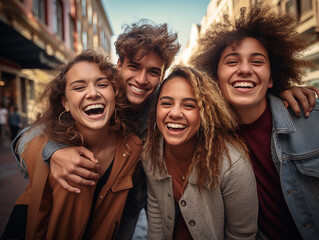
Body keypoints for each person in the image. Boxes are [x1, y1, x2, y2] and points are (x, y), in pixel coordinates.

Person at [11, 20, 181, 239]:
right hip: (73, 202)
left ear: (162, 75)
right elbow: (25, 138)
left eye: (153, 72)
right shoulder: (100, 94)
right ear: (119, 65)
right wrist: (52, 151)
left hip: (127, 207)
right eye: (134, 66)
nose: (141, 79)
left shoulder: (164, 107)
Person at [190, 5, 319, 240]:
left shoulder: (311, 117)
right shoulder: (205, 135)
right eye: (232, 62)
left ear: (272, 78)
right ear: (215, 78)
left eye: (257, 62)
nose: (245, 69)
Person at [2, 49, 143, 239]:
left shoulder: (132, 147)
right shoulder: (45, 141)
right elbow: (25, 143)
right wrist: (51, 151)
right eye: (79, 87)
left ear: (115, 94)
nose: (92, 93)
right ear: (65, 103)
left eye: (102, 84)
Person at [143, 65, 258, 239]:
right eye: (166, 103)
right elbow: (156, 220)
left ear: (205, 113)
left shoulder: (232, 166)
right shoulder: (150, 155)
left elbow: (242, 235)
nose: (174, 113)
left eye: (189, 105)